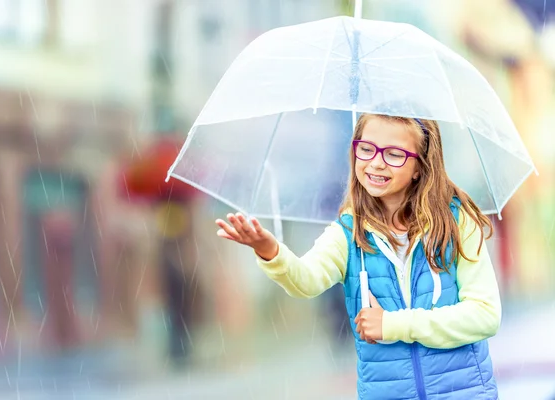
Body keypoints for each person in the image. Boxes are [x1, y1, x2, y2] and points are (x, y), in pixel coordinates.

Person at [215, 113, 501, 399]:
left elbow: (485, 315)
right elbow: (306, 281)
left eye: (394, 154)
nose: (376, 162)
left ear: (419, 166)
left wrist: (392, 325)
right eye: (366, 149)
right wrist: (269, 251)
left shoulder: (456, 222)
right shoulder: (349, 234)